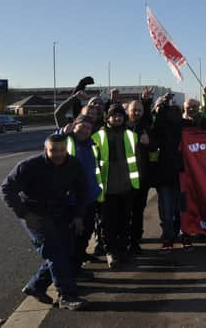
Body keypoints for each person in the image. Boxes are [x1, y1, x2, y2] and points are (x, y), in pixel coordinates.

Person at [0, 134, 88, 310]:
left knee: (67, 249)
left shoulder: (73, 165)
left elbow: (82, 190)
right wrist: (25, 213)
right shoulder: (28, 166)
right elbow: (6, 189)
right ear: (45, 149)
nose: (58, 154)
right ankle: (67, 295)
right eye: (53, 150)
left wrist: (78, 216)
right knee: (55, 252)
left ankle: (36, 286)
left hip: (59, 212)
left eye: (62, 150)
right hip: (34, 214)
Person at [92, 104, 141, 268]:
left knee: (124, 221)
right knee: (107, 223)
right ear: (108, 118)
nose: (117, 118)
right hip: (107, 187)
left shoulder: (131, 135)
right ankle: (110, 252)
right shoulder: (98, 136)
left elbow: (137, 160)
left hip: (127, 186)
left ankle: (122, 251)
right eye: (114, 116)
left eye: (120, 115)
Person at [62, 115, 102, 271]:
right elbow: (51, 143)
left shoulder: (92, 145)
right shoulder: (66, 140)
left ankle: (78, 262)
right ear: (74, 126)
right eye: (82, 126)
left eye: (88, 128)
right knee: (72, 237)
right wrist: (62, 132)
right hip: (71, 200)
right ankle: (72, 270)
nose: (85, 130)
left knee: (86, 233)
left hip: (89, 197)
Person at [152, 95, 186, 251]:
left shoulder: (186, 126)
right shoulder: (161, 129)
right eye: (169, 111)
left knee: (182, 208)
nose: (173, 113)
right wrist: (163, 104)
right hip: (165, 175)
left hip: (183, 174)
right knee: (167, 209)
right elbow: (158, 122)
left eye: (176, 110)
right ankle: (167, 235)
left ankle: (183, 233)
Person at [126, 93, 155, 254]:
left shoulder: (146, 127)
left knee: (138, 212)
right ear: (128, 111)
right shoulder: (121, 126)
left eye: (139, 110)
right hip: (123, 179)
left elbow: (155, 146)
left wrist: (149, 142)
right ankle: (123, 242)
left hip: (141, 179)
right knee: (123, 213)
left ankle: (135, 242)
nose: (136, 112)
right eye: (133, 110)